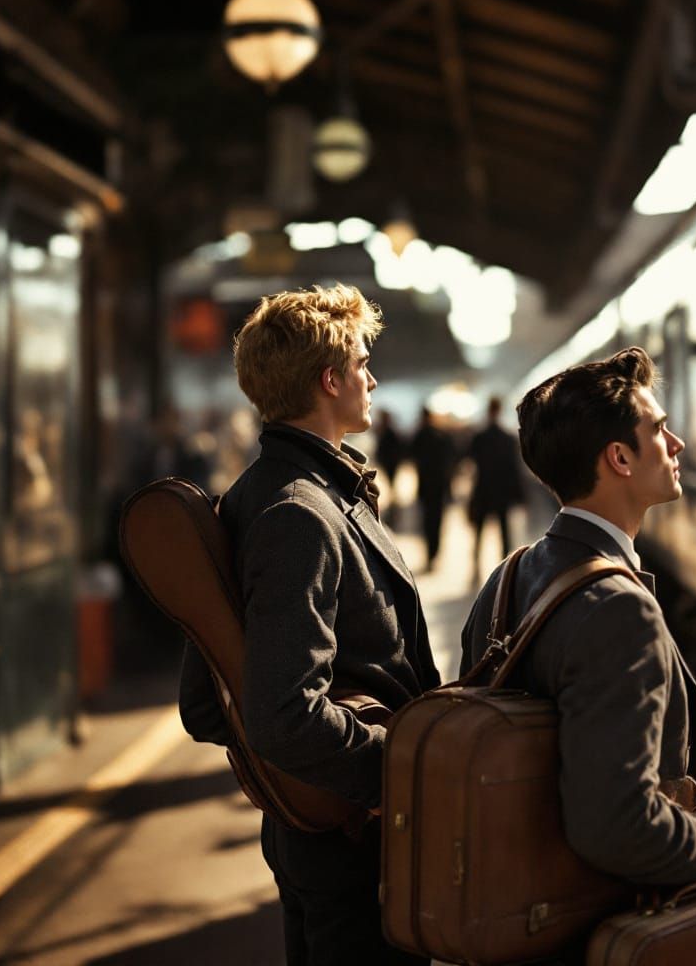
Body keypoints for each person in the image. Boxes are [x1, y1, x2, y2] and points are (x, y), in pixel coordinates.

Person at [460, 347, 696, 959]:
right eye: (658, 429)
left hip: (525, 913)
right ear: (620, 459)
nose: (676, 443)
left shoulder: (508, 577)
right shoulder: (617, 609)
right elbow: (615, 824)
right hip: (597, 928)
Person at [178, 284, 440, 966]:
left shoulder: (256, 495)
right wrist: (398, 774)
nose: (372, 378)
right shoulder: (301, 514)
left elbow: (209, 705)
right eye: (360, 363)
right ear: (330, 380)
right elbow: (282, 713)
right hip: (353, 845)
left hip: (317, 834)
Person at [467, 395, 525, 582]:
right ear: (499, 410)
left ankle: (475, 570)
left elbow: (470, 464)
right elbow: (514, 469)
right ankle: (505, 573)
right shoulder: (507, 438)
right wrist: (519, 495)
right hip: (501, 493)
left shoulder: (479, 437)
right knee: (504, 533)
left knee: (479, 533)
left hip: (483, 490)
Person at [409, 406, 455, 571]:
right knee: (437, 522)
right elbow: (450, 462)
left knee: (427, 522)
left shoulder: (420, 436)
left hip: (426, 487)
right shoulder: (441, 435)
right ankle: (435, 553)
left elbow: (410, 455)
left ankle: (430, 555)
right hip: (440, 487)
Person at [374, 408, 407, 527]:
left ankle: (394, 514)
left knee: (393, 490)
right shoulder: (388, 431)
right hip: (390, 464)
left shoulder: (389, 432)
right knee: (392, 489)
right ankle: (394, 514)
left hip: (391, 464)